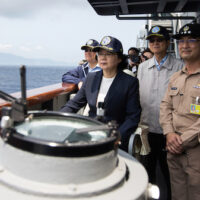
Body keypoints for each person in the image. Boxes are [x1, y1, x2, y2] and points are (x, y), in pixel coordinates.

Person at [60, 36, 141, 152]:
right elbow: (73, 104)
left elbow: (133, 117)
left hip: (114, 138)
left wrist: (118, 136)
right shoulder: (91, 78)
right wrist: (57, 118)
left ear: (119, 59)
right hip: (90, 135)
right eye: (100, 54)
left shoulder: (129, 82)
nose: (103, 57)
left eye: (108, 54)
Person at [137, 25, 184, 200]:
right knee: (148, 174)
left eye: (159, 40)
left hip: (170, 132)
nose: (155, 43)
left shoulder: (180, 67)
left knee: (170, 176)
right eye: (152, 40)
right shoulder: (143, 68)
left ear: (168, 42)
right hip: (147, 131)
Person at [160, 23, 200, 200]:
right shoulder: (176, 77)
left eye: (191, 40)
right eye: (181, 41)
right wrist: (169, 133)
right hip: (173, 148)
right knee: (177, 195)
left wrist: (181, 140)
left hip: (196, 151)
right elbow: (165, 106)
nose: (185, 45)